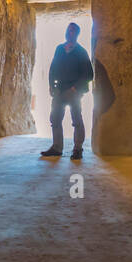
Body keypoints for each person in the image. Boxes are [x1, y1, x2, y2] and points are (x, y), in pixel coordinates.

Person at [41, 22, 93, 159]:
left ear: (76, 34)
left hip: (74, 92)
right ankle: (57, 148)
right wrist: (51, 85)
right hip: (59, 91)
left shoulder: (81, 52)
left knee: (76, 120)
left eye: (73, 31)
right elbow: (52, 69)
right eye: (68, 30)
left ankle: (78, 149)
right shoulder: (59, 49)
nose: (69, 33)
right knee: (55, 119)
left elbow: (89, 74)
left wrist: (75, 88)